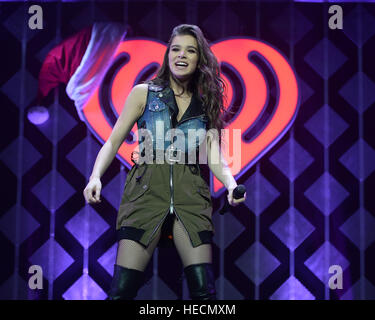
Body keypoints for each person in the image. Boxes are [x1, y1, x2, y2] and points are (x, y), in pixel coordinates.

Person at [83, 24, 246, 300]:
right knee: (121, 292)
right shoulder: (143, 93)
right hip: (145, 196)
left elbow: (214, 155)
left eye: (190, 50)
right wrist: (95, 176)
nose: (181, 55)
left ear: (199, 59)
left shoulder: (205, 104)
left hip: (191, 198)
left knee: (204, 294)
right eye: (176, 49)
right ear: (167, 54)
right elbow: (113, 141)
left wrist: (231, 185)